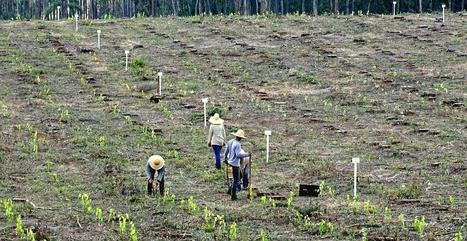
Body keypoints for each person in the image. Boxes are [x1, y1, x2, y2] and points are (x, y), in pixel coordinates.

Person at [224, 129, 249, 201]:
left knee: (239, 175)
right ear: (240, 137)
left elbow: (226, 150)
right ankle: (233, 196)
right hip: (235, 163)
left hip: (230, 161)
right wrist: (247, 154)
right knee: (236, 179)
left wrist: (225, 158)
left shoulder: (231, 141)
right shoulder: (237, 144)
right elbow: (238, 155)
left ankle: (230, 190)